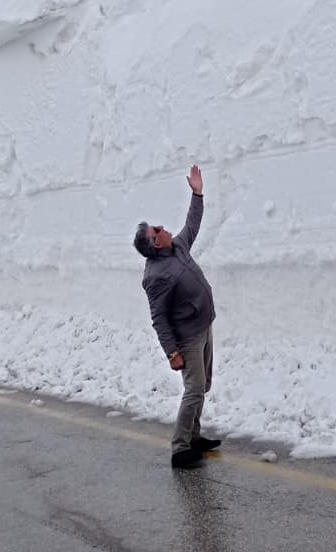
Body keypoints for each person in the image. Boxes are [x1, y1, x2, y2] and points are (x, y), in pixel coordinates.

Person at [134, 164, 221, 469]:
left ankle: (194, 436)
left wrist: (197, 194)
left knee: (204, 385)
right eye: (155, 231)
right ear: (154, 243)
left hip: (203, 324)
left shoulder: (177, 247)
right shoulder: (156, 276)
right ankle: (180, 448)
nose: (161, 228)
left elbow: (192, 224)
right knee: (194, 389)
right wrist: (172, 352)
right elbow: (159, 319)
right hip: (188, 337)